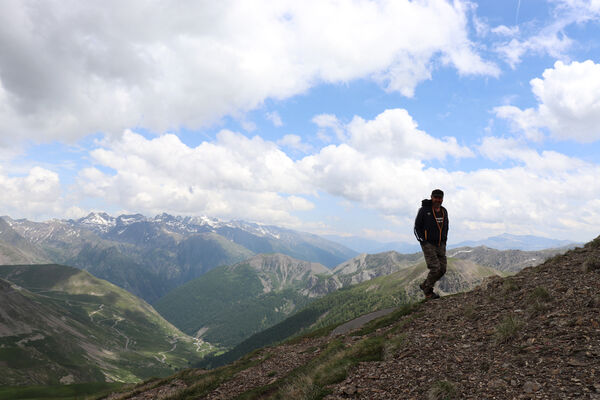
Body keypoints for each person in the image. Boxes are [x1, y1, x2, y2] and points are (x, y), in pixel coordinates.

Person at [414, 189, 449, 299]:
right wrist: (423, 241)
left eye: (440, 198)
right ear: (431, 197)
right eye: (436, 197)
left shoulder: (444, 211)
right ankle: (428, 292)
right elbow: (417, 227)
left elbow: (446, 227)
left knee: (442, 269)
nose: (438, 200)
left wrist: (444, 240)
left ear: (442, 199)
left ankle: (425, 285)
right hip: (428, 244)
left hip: (440, 244)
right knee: (435, 268)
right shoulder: (424, 210)